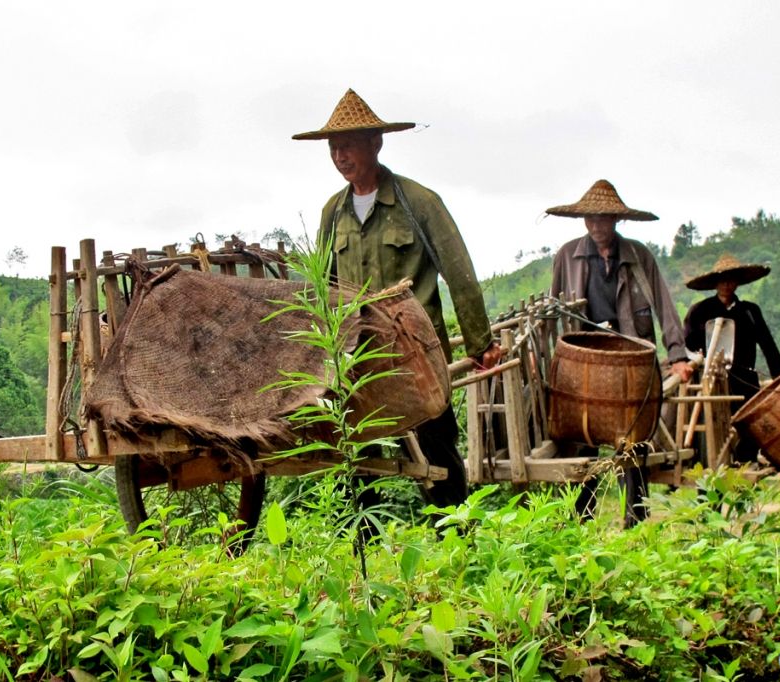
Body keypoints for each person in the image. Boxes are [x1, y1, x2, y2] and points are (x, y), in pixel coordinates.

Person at [293, 88, 500, 508]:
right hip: (357, 356)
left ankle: (456, 538)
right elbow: (324, 290)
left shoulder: (419, 202)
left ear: (376, 142)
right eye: (333, 146)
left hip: (415, 355)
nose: (339, 155)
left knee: (437, 445)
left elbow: (460, 275)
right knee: (357, 452)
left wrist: (481, 344)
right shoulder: (332, 212)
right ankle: (363, 545)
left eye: (348, 144)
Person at [548, 179, 692, 525]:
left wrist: (678, 355)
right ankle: (582, 518)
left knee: (634, 439)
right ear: (584, 220)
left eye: (605, 219)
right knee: (585, 437)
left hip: (631, 360)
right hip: (584, 360)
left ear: (617, 220)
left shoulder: (638, 257)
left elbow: (664, 305)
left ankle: (636, 519)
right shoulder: (568, 256)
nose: (597, 226)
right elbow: (553, 310)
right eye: (591, 219)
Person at [683, 254, 780, 465]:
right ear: (715, 283)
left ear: (738, 281)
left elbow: (769, 347)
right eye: (722, 279)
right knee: (710, 433)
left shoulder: (750, 311)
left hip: (744, 381)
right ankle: (708, 479)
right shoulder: (700, 311)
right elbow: (687, 345)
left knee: (750, 428)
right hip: (711, 381)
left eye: (732, 279)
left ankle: (744, 471)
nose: (727, 284)